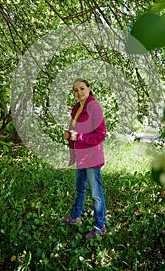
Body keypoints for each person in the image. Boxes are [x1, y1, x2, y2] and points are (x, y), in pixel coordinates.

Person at [63, 78, 107, 239]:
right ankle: (75, 217)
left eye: (82, 88)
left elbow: (100, 134)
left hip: (92, 156)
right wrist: (69, 136)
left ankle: (99, 226)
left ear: (89, 88)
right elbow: (74, 131)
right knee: (79, 188)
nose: (79, 92)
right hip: (81, 156)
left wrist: (78, 137)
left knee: (96, 192)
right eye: (75, 90)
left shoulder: (94, 107)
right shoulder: (76, 109)